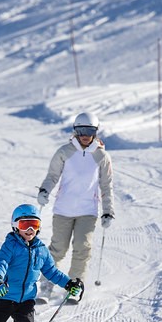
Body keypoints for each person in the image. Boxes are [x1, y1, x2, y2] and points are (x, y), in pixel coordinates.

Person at [35, 111, 114, 302]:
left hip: (88, 211)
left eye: (89, 130)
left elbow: (106, 185)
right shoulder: (64, 152)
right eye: (81, 130)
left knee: (82, 248)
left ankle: (75, 286)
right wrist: (44, 191)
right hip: (63, 209)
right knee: (57, 249)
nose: (85, 135)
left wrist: (107, 211)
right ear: (75, 131)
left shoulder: (101, 156)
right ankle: (46, 286)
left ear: (95, 132)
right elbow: (52, 176)